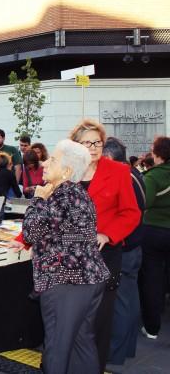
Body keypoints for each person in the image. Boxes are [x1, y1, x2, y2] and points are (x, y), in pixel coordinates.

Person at [22, 139, 110, 374]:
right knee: (82, 343)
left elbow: (30, 231)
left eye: (53, 159)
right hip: (89, 277)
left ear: (67, 171)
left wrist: (38, 198)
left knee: (57, 348)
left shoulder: (60, 197)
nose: (46, 162)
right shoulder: (77, 194)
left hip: (66, 281)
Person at [68, 119, 140, 372]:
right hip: (69, 257)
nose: (94, 147)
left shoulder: (119, 171)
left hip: (104, 255)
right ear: (75, 146)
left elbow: (131, 213)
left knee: (99, 319)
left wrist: (108, 235)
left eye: (98, 142)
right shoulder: (66, 171)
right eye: (87, 142)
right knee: (70, 319)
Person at [102, 137, 146, 364]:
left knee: (119, 303)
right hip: (134, 246)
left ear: (108, 157)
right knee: (129, 300)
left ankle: (115, 353)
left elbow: (127, 214)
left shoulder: (122, 177)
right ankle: (126, 348)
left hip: (125, 247)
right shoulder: (134, 174)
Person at [139, 136, 170, 340]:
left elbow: (144, 202)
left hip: (154, 231)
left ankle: (152, 328)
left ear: (158, 154)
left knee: (152, 278)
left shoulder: (153, 176)